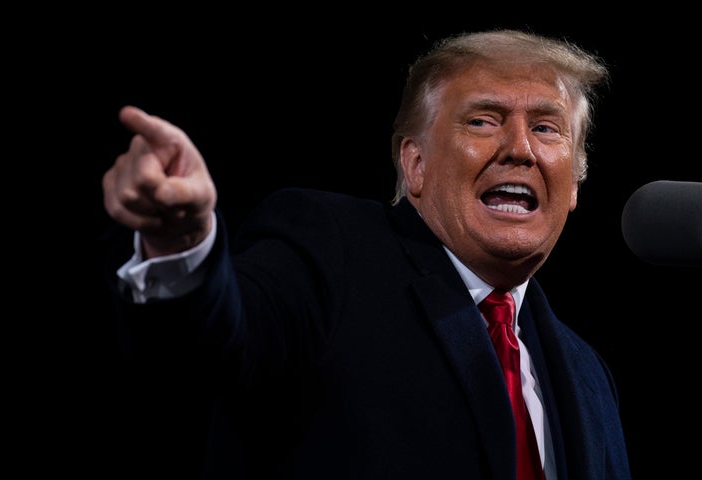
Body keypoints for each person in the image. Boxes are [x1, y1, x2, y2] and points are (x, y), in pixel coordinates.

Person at [100, 28, 631, 479]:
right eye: (484, 120)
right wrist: (182, 245)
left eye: (545, 128)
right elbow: (213, 346)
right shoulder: (331, 251)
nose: (520, 148)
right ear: (415, 164)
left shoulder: (588, 372)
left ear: (576, 184)